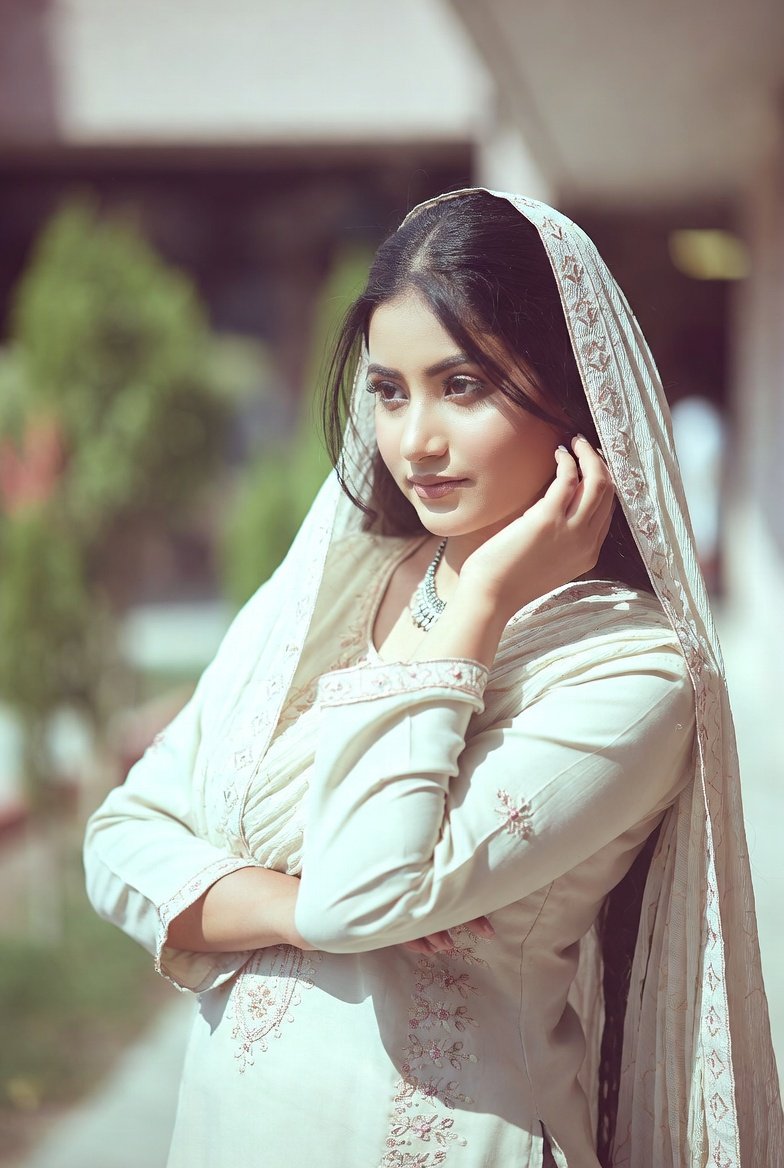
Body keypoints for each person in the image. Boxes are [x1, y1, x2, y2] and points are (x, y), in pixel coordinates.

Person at [83, 189, 782, 1167]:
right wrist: (287, 908)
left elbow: (358, 896)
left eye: (463, 385)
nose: (414, 440)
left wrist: (485, 597)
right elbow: (119, 837)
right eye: (390, 389)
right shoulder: (339, 572)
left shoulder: (632, 675)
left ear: (573, 397)